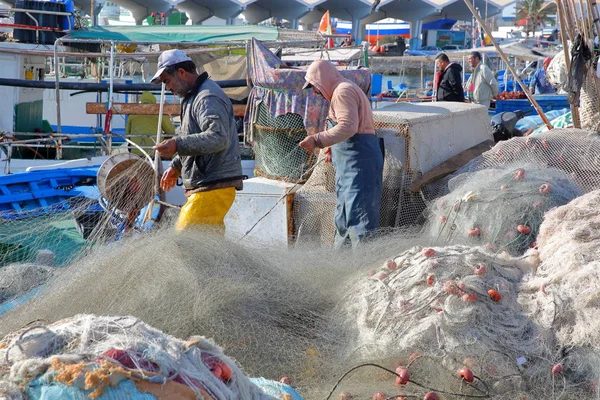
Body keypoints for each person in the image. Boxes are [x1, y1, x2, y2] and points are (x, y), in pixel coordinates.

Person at [151, 49, 244, 232]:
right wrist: (177, 165)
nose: (168, 88)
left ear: (181, 73)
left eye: (167, 81)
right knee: (209, 249)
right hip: (210, 186)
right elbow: (193, 134)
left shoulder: (206, 97)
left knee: (184, 243)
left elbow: (218, 138)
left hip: (213, 185)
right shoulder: (193, 96)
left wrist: (177, 145)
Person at [298, 60, 383, 249]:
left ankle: (362, 270)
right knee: (344, 217)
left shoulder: (342, 92)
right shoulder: (340, 91)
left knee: (359, 219)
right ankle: (343, 267)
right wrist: (331, 148)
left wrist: (317, 140)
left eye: (314, 86)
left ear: (322, 79)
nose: (315, 91)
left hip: (359, 162)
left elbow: (348, 126)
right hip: (349, 165)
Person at [125, 91, 176, 157]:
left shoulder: (133, 114)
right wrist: (162, 139)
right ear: (153, 100)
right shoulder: (160, 112)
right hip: (156, 151)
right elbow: (171, 132)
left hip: (136, 152)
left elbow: (127, 134)